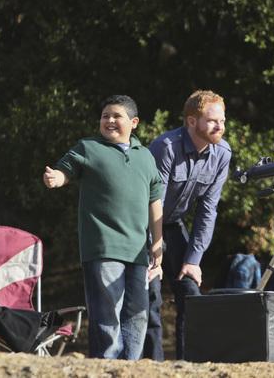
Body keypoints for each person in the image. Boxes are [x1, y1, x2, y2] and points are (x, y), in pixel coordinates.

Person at [43, 95, 163, 359]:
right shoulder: (88, 147)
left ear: (134, 123)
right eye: (105, 116)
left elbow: (155, 201)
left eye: (116, 116)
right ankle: (106, 365)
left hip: (137, 251)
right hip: (103, 247)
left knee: (138, 313)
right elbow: (66, 170)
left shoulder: (146, 157)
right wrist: (56, 178)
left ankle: (128, 367)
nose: (109, 120)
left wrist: (157, 244)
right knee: (108, 313)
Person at [143, 90, 232, 360]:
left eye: (223, 120)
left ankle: (188, 366)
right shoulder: (166, 147)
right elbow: (151, 202)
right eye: (213, 121)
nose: (220, 127)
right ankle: (152, 366)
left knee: (191, 293)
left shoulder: (222, 153)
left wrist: (193, 259)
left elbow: (208, 210)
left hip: (173, 224)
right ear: (192, 122)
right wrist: (154, 254)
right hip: (142, 225)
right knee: (151, 295)